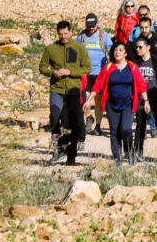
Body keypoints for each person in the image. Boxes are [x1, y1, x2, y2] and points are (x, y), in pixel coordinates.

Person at [85, 41, 148, 164]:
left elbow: (141, 85)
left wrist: (146, 101)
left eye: (120, 50)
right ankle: (117, 158)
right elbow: (98, 85)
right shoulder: (108, 68)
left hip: (127, 103)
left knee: (126, 129)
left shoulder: (133, 67)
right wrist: (88, 100)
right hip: (112, 104)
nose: (117, 52)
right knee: (114, 131)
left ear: (125, 53)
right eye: (115, 50)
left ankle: (130, 153)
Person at [39, 20, 90, 166]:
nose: (63, 36)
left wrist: (70, 72)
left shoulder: (79, 48)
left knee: (71, 124)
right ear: (57, 33)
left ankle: (71, 156)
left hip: (74, 91)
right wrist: (52, 72)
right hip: (57, 90)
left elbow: (86, 68)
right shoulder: (51, 49)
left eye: (65, 33)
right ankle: (59, 149)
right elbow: (42, 67)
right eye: (60, 34)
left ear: (71, 32)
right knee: (54, 118)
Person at [130, 38, 157, 159]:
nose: (138, 49)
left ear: (148, 47)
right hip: (141, 98)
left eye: (140, 47)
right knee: (140, 125)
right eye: (136, 47)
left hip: (156, 96)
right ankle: (138, 152)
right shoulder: (136, 63)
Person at [77, 13, 112, 139]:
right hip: (85, 72)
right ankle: (89, 117)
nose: (91, 28)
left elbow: (111, 50)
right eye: (89, 26)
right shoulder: (82, 37)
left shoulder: (104, 36)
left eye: (93, 26)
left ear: (97, 24)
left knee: (98, 99)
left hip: (100, 73)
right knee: (85, 98)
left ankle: (97, 125)